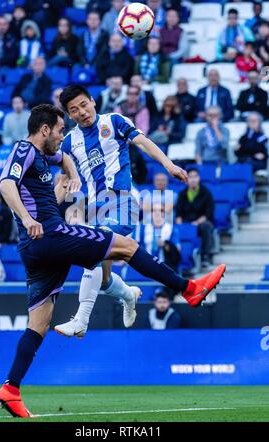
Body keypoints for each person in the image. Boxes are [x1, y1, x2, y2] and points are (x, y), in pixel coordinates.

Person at [0, 103, 225, 418]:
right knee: (126, 247)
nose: (64, 136)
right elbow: (6, 184)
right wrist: (26, 217)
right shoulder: (24, 149)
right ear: (44, 129)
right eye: (61, 130)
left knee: (39, 323)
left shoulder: (46, 157)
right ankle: (189, 288)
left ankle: (11, 389)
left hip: (33, 249)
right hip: (48, 234)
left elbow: (62, 158)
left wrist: (72, 172)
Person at [56, 84, 223, 339]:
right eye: (73, 110)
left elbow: (143, 142)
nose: (81, 112)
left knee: (93, 251)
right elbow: (63, 180)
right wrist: (42, 214)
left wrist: (168, 165)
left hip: (122, 201)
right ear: (69, 115)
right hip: (95, 209)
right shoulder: (69, 142)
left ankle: (81, 320)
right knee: (102, 277)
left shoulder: (113, 121)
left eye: (83, 104)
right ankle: (129, 294)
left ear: (92, 101)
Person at [175, 168, 215, 269]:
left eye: (195, 177)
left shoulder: (206, 193)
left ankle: (205, 257)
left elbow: (208, 213)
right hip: (186, 223)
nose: (193, 179)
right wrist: (180, 224)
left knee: (207, 226)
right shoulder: (182, 194)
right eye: (190, 177)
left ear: (199, 178)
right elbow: (178, 213)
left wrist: (196, 223)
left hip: (200, 223)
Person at [135, 202, 181, 272]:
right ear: (151, 213)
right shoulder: (142, 228)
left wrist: (165, 245)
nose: (157, 213)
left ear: (164, 213)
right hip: (145, 265)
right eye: (154, 210)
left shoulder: (171, 228)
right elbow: (135, 246)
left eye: (161, 210)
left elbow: (177, 251)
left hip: (165, 265)